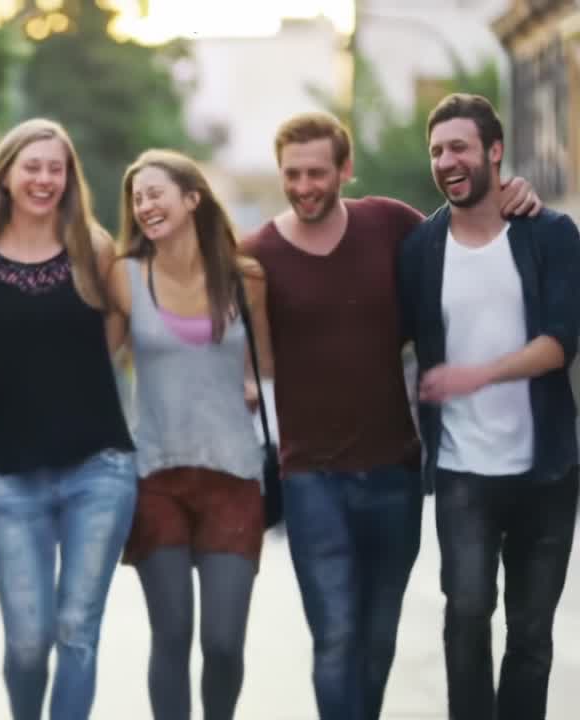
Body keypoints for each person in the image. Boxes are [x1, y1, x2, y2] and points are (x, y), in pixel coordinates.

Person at [242, 112, 540, 720]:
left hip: (393, 474)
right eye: (292, 174)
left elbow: (469, 232)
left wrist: (518, 192)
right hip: (309, 479)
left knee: (377, 640)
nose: (304, 186)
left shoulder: (391, 225)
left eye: (317, 172)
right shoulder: (257, 255)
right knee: (335, 639)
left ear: (345, 170)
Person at [397, 93, 580, 720]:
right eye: (437, 150)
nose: (447, 160)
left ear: (494, 152)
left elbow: (560, 343)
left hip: (547, 472)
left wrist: (477, 375)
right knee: (467, 617)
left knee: (531, 637)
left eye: (460, 147)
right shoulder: (420, 248)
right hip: (462, 470)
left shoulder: (549, 234)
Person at [0, 118, 136, 720]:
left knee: (78, 630)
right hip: (11, 474)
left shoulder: (95, 249)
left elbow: (124, 327)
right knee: (28, 643)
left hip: (99, 469)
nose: (45, 179)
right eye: (33, 166)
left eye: (57, 168)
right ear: (5, 172)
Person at [108, 150, 272, 720]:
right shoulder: (124, 275)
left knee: (224, 645)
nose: (145, 205)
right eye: (138, 198)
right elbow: (93, 361)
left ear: (192, 198)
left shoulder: (244, 277)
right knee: (172, 636)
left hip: (233, 473)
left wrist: (251, 383)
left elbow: (267, 367)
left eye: (156, 193)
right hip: (157, 476)